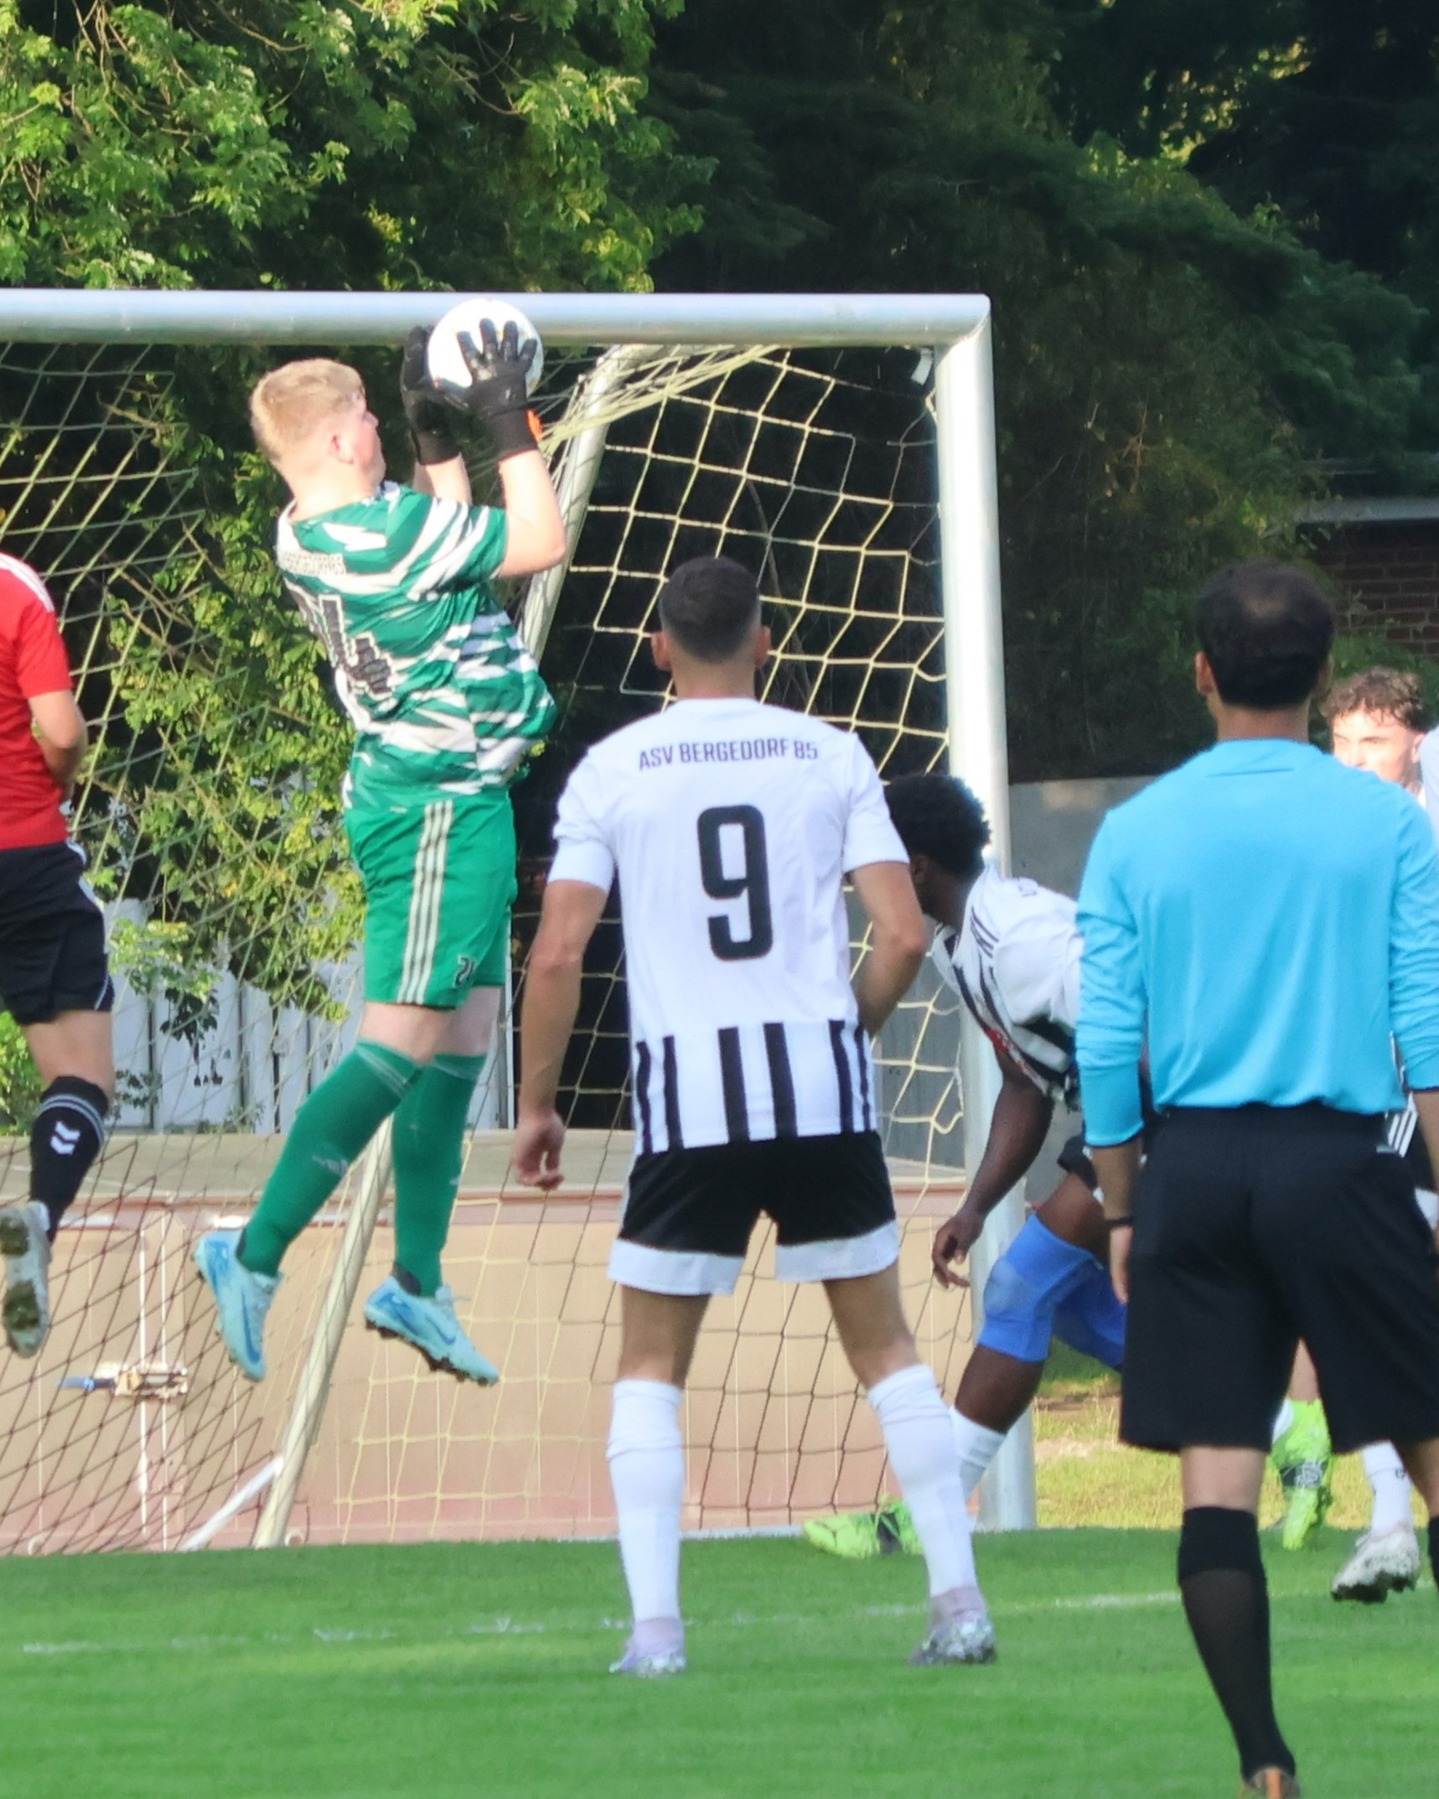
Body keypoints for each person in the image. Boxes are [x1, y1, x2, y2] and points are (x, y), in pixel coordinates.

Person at [511, 556, 996, 1674]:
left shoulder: (613, 767)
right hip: (820, 1091)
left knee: (649, 1364)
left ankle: (656, 1634)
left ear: (658, 646)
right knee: (887, 1350)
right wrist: (844, 1032)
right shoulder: (829, 752)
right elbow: (903, 932)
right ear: (764, 640)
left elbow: (558, 951)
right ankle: (958, 1603)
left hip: (690, 1102)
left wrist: (537, 1102)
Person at [1078, 562, 1439, 1799]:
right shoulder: (1383, 822)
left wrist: (1122, 1204)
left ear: (1200, 671)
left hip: (1191, 1165)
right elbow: (1424, 1025)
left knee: (1217, 1485)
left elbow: (1106, 1041)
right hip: (1341, 1161)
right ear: (1322, 677)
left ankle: (1262, 1762)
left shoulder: (1136, 829)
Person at [194, 323, 566, 1383]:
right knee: (396, 1047)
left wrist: (430, 433)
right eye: (367, 418)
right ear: (339, 442)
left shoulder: (313, 531)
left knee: (461, 1041)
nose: (374, 429)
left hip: (446, 795)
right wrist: (503, 416)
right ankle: (254, 1250)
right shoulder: (384, 537)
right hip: (440, 807)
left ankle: (416, 1279)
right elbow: (536, 539)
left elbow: (440, 528)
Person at [803, 772, 1125, 1559]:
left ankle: (927, 1515)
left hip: (1168, 1112)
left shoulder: (1020, 938)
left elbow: (1141, 1035)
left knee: (1019, 1286)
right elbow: (1022, 1081)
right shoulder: (959, 943)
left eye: (868, 860)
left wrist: (1155, 1160)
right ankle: (1280, 1424)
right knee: (1069, 1305)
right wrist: (976, 1205)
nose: (858, 880)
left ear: (913, 866)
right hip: (1135, 1119)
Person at [1321, 666, 1439, 1600]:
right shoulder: (1326, 828)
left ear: (1415, 745)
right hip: (1379, 1085)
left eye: (1377, 741)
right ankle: (1391, 1520)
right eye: (1342, 742)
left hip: (1422, 1076)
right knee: (1372, 1286)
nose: (1357, 760)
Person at [0, 553, 115, 1358]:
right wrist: (53, 781)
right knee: (81, 1073)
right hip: (25, 856)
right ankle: (39, 1214)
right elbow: (64, 730)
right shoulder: (12, 586)